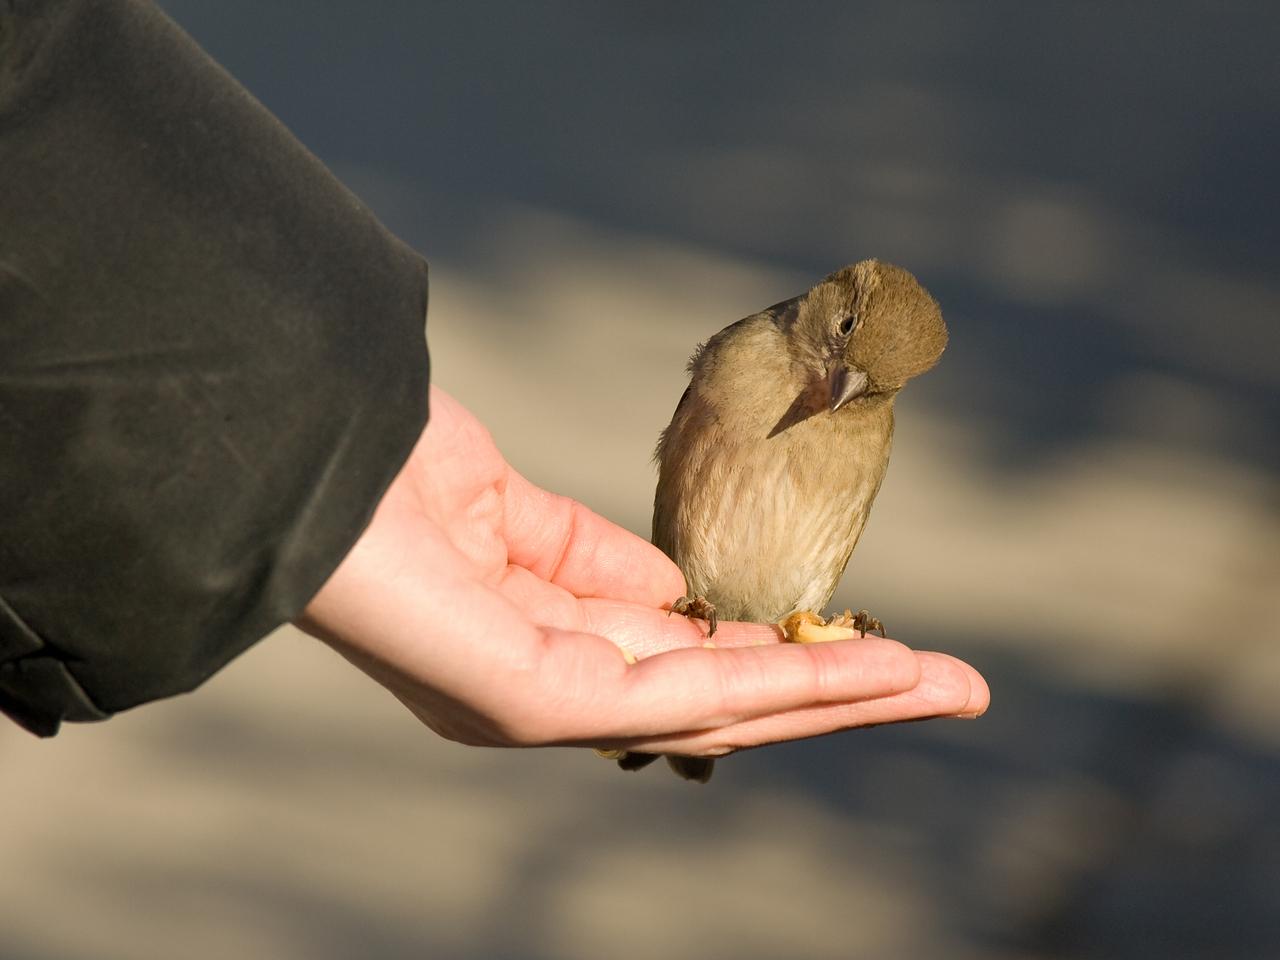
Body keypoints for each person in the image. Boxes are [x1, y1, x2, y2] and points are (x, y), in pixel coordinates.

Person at [0, 0, 987, 753]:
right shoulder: (743, 349)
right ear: (835, 291)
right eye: (847, 346)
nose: (844, 388)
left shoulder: (865, 416)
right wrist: (317, 461)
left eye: (876, 390)